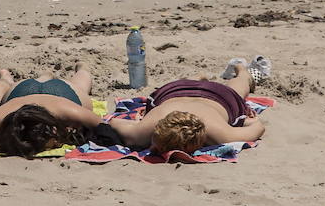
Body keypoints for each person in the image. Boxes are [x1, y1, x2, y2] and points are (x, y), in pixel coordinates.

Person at [108, 60, 265, 154]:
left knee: (236, 91)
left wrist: (137, 125)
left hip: (179, 90)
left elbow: (113, 122)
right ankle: (241, 71)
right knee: (237, 89)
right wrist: (252, 120)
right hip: (206, 95)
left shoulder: (219, 134)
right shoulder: (146, 129)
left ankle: (201, 77)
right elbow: (257, 127)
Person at [0, 61, 103, 157]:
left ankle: (6, 78)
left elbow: (102, 125)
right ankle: (80, 69)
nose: (56, 144)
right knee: (79, 86)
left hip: (29, 91)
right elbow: (103, 126)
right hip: (35, 92)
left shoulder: (67, 110)